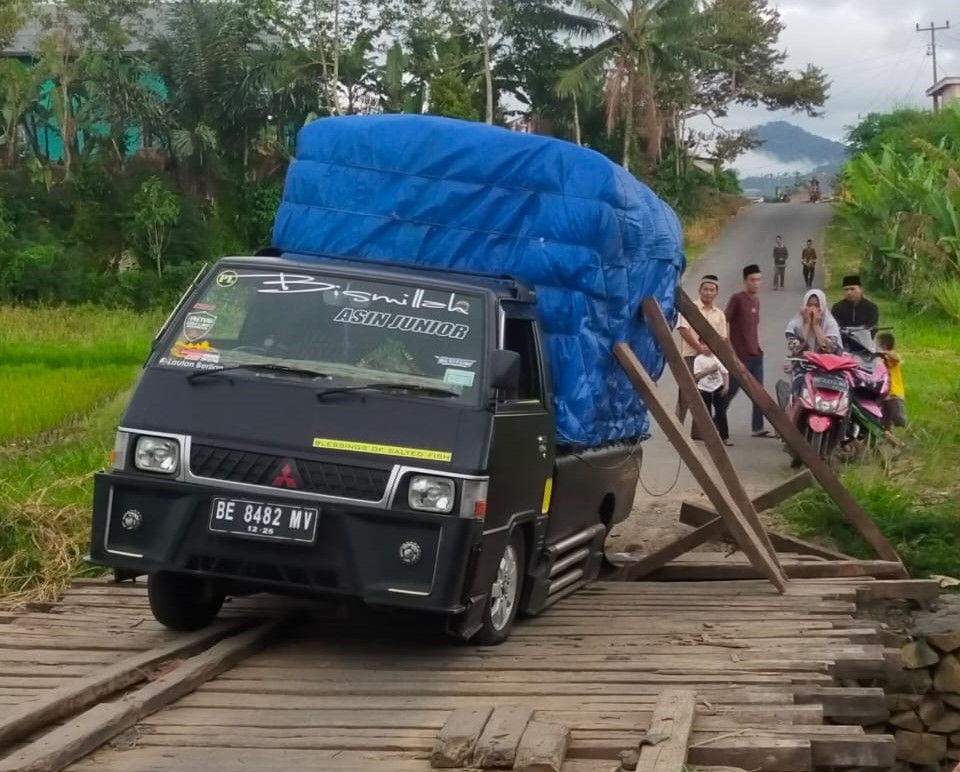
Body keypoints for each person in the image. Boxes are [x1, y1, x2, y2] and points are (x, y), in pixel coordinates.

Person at [725, 264, 771, 437]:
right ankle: (714, 423)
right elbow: (725, 320)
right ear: (745, 281)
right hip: (740, 356)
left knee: (759, 393)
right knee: (729, 392)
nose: (756, 283)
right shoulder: (737, 299)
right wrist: (729, 348)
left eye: (759, 280)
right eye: (752, 280)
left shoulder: (756, 301)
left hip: (755, 355)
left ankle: (757, 427)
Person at [676, 274, 727, 425]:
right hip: (691, 355)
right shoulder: (691, 308)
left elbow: (723, 338)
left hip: (711, 358)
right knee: (687, 390)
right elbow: (683, 330)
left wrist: (713, 352)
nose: (708, 293)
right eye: (706, 289)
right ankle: (677, 425)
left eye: (712, 290)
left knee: (706, 392)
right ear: (700, 290)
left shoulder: (719, 314)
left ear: (716, 293)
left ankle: (700, 429)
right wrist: (699, 348)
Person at [785, 289, 842, 361]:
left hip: (826, 364)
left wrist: (816, 325)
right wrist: (807, 323)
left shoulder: (830, 323)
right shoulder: (795, 324)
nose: (812, 309)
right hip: (802, 363)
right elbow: (795, 348)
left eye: (817, 306)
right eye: (809, 305)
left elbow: (830, 349)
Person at [693, 342, 731, 446]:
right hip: (704, 389)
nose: (705, 347)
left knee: (721, 414)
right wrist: (711, 370)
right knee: (706, 415)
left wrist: (726, 386)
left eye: (707, 345)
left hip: (717, 387)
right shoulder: (698, 359)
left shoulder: (717, 358)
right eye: (703, 345)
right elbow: (697, 376)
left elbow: (725, 372)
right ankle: (709, 439)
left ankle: (724, 437)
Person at [876, 332, 906, 428]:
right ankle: (889, 437)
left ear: (884, 345)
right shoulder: (879, 360)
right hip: (883, 395)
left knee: (899, 419)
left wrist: (884, 352)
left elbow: (897, 358)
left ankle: (904, 433)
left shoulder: (891, 358)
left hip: (894, 394)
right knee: (884, 422)